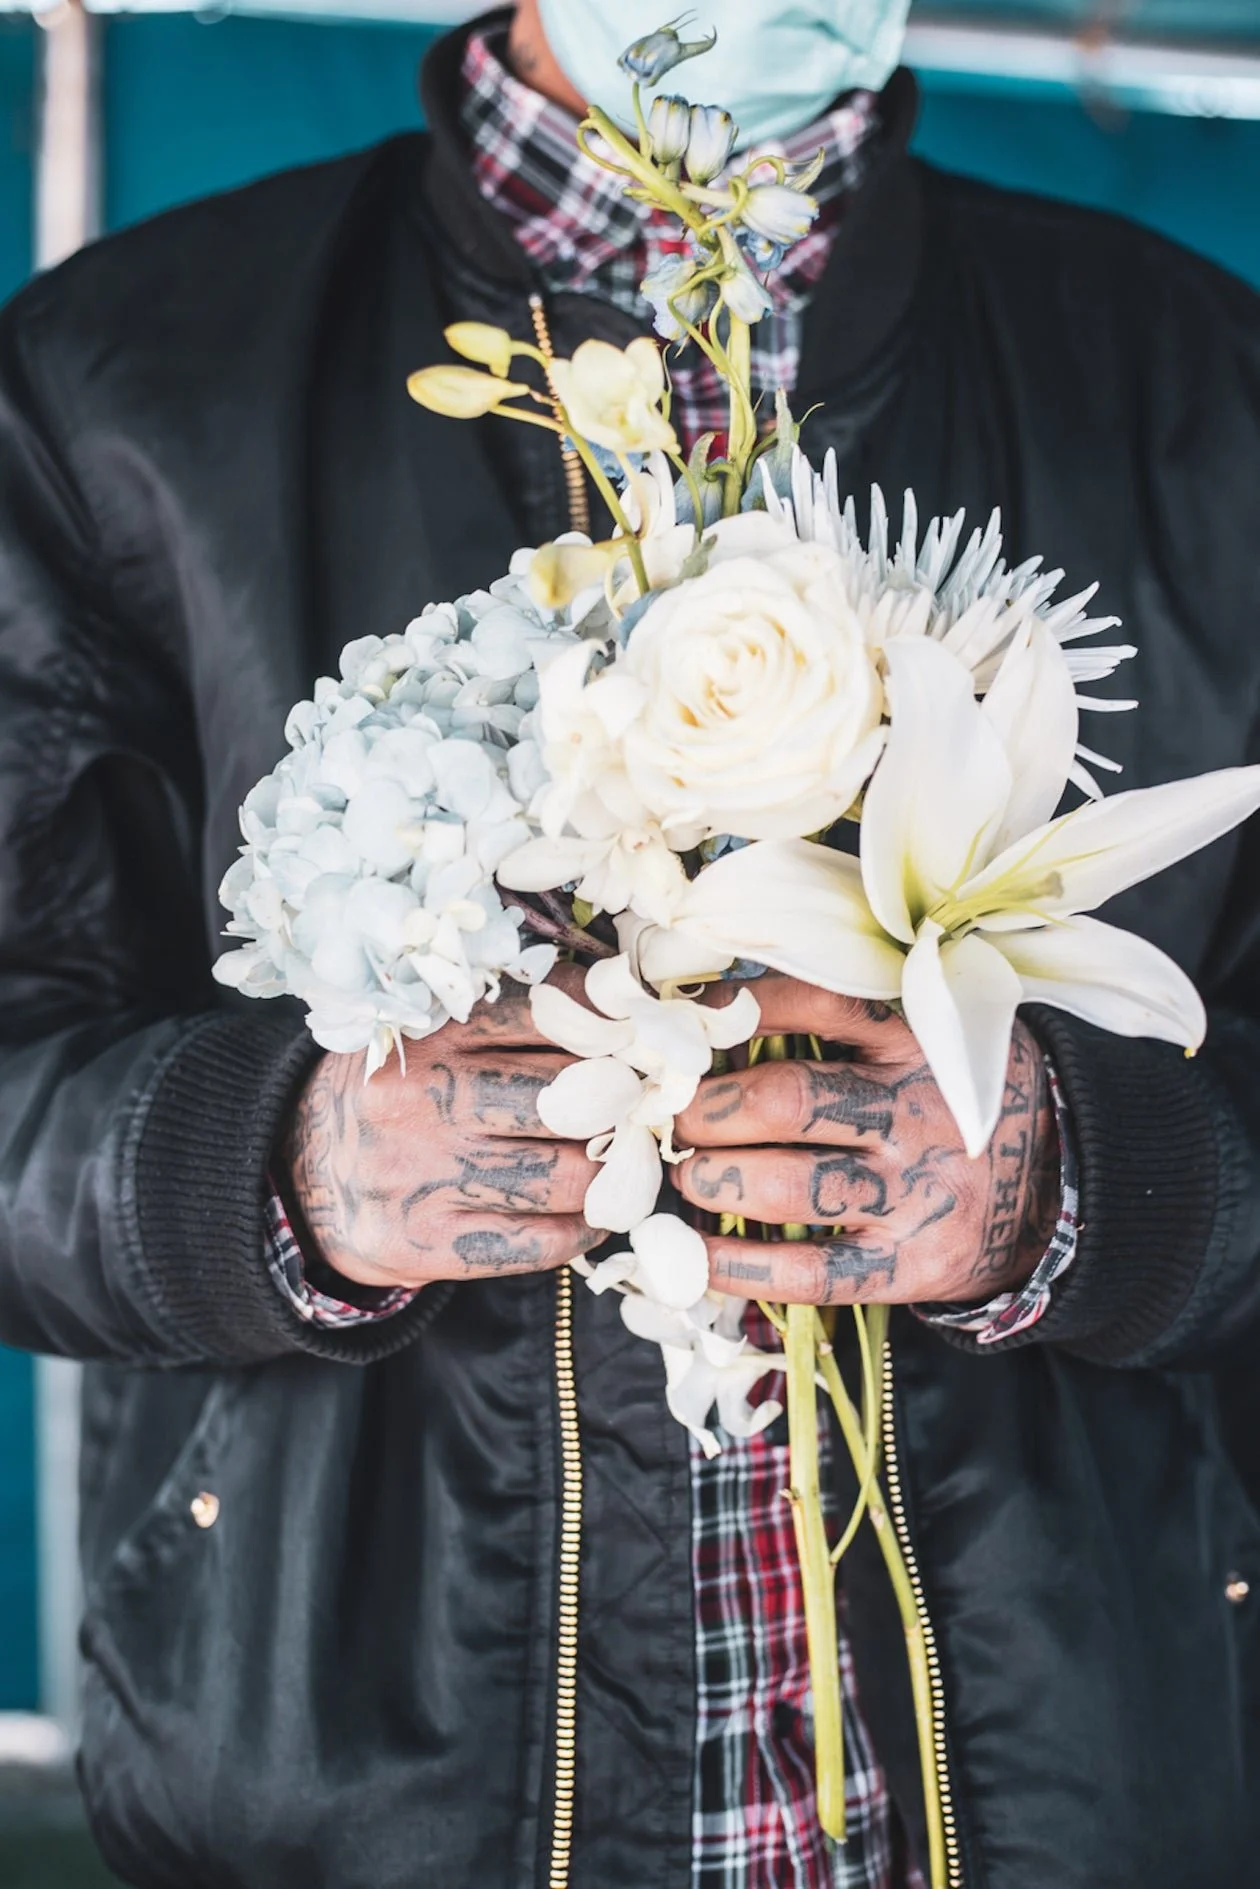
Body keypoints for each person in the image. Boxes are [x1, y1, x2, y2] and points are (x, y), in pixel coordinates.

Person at [0, 1, 1257, 1883]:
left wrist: (1088, 1185)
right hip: (355, 1799)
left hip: (1076, 1783)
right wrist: (266, 1168)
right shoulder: (126, 382)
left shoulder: (1201, 382)